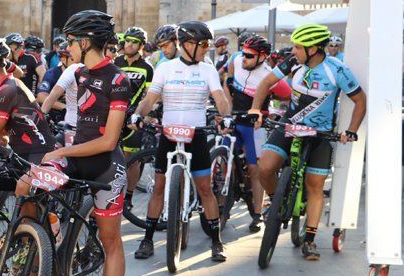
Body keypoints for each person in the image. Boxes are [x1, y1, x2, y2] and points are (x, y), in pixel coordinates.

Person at [39, 10, 132, 276]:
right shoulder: (77, 73)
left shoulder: (118, 80)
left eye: (70, 41)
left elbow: (109, 140)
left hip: (105, 167)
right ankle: (42, 255)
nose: (66, 48)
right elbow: (62, 112)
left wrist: (62, 153)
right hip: (76, 158)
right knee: (30, 186)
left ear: (86, 41)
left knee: (111, 242)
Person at [249, 23, 365, 261]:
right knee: (265, 167)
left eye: (298, 47)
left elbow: (360, 100)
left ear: (313, 49)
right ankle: (276, 200)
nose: (293, 50)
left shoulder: (337, 70)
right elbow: (265, 83)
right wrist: (255, 109)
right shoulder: (293, 63)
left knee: (315, 184)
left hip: (319, 133)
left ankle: (310, 240)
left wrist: (351, 130)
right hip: (290, 124)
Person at [130, 21, 233, 263]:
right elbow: (151, 98)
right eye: (203, 44)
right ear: (187, 44)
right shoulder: (166, 68)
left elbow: (220, 98)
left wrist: (225, 116)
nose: (207, 49)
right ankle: (147, 239)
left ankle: (217, 242)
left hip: (195, 134)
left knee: (206, 189)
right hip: (169, 134)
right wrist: (138, 114)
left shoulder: (207, 70)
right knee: (158, 188)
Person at [224, 34, 291, 232]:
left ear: (262, 57)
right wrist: (227, 102)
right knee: (225, 160)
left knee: (256, 169)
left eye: (249, 56)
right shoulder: (236, 59)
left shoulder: (269, 74)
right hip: (234, 117)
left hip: (255, 124)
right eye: (244, 53)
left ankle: (257, 213)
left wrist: (278, 113)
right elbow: (228, 76)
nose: (244, 58)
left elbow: (288, 96)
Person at [114, 26, 154, 202]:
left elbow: (149, 95)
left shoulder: (147, 68)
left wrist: (145, 116)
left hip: (133, 116)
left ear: (141, 46)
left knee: (132, 160)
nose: (129, 45)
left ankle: (129, 197)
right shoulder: (116, 63)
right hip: (115, 114)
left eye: (134, 42)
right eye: (127, 41)